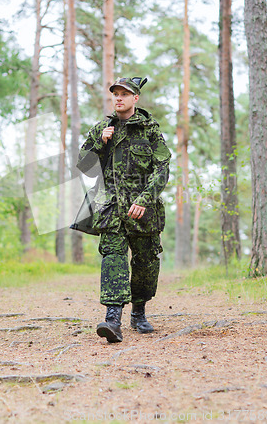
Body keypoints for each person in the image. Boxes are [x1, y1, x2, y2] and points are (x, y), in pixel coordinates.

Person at [76, 77, 171, 343]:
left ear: (135, 98)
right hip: (110, 209)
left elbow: (162, 169)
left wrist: (144, 199)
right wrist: (99, 144)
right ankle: (112, 319)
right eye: (115, 94)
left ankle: (138, 312)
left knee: (146, 263)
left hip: (142, 210)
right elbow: (84, 168)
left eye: (124, 94)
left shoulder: (150, 130)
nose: (118, 98)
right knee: (113, 260)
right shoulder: (101, 129)